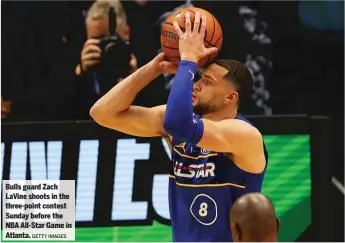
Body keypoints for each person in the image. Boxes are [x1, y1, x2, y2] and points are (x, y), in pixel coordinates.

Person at [90, 11, 267, 242]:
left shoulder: (244, 135)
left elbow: (179, 123)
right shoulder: (181, 122)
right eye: (199, 77)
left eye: (208, 82)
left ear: (230, 98)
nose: (197, 84)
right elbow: (102, 113)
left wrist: (189, 61)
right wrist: (153, 69)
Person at [74, 0, 138, 119]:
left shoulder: (147, 64)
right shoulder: (79, 69)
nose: (107, 47)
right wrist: (81, 74)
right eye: (98, 40)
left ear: (126, 33)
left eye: (110, 40)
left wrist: (137, 79)